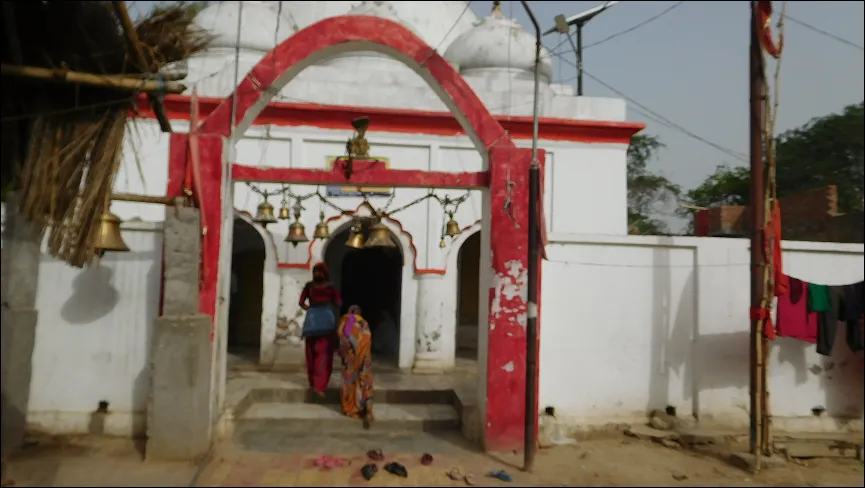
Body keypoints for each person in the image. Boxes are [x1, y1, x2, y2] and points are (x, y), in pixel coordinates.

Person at [299, 263, 341, 398]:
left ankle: (313, 384)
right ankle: (319, 386)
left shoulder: (309, 286)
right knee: (324, 355)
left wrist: (311, 310)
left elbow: (301, 302)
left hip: (311, 323)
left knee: (310, 355)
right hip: (326, 323)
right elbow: (338, 302)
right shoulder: (330, 287)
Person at [337, 305, 374, 427]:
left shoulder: (349, 319)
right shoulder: (365, 323)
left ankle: (351, 409)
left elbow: (344, 336)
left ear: (349, 312)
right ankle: (367, 410)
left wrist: (342, 353)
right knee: (365, 381)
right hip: (365, 358)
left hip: (352, 358)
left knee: (350, 381)